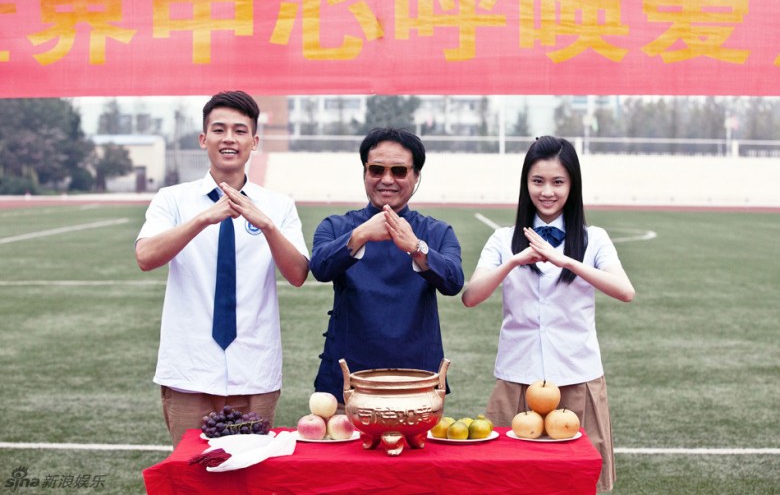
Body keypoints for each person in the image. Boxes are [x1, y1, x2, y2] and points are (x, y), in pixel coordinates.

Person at [135, 91, 309, 446]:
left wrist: (267, 226)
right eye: (219, 129)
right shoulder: (173, 199)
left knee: (250, 469)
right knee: (190, 469)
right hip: (189, 370)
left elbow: (297, 275)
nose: (229, 138)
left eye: (240, 131)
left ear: (254, 141)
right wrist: (203, 219)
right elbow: (145, 257)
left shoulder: (278, 206)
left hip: (254, 370)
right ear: (204, 139)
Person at [461, 136, 635, 493]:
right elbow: (471, 296)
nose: (547, 191)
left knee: (577, 481)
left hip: (577, 375)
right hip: (517, 376)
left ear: (572, 185)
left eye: (558, 182)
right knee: (507, 480)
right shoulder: (503, 239)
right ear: (526, 183)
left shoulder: (594, 239)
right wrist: (513, 261)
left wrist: (566, 260)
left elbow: (625, 291)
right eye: (537, 181)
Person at [309, 127, 464, 402]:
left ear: (416, 176)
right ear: (365, 172)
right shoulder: (336, 226)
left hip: (418, 383)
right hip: (348, 383)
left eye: (399, 171)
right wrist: (360, 235)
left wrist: (416, 247)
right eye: (377, 169)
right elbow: (320, 268)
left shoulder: (437, 232)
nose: (387, 179)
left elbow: (453, 282)